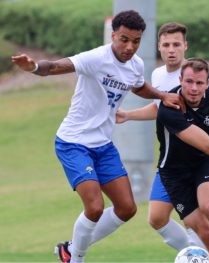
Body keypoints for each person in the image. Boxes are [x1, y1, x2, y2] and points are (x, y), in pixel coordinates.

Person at [11, 10, 182, 263]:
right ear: (113, 35)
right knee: (94, 208)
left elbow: (138, 85)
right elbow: (56, 66)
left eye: (136, 41)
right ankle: (75, 258)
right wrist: (34, 67)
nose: (129, 46)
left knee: (127, 208)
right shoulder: (96, 58)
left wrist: (161, 95)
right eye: (124, 39)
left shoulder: (135, 64)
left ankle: (69, 248)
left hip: (103, 145)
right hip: (73, 143)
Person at [116, 22, 209, 261]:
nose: (171, 50)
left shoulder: (195, 79)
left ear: (186, 46)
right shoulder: (157, 74)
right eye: (166, 45)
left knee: (202, 220)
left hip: (197, 159)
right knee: (156, 217)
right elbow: (160, 110)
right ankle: (199, 253)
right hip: (171, 161)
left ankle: (207, 255)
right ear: (159, 47)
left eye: (176, 44)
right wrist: (128, 115)